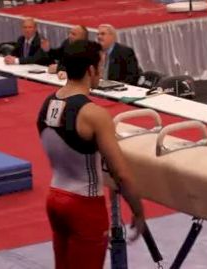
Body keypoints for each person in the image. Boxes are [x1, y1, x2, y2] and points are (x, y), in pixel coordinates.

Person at [37, 40, 145, 269]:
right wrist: (138, 210)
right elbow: (121, 173)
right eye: (101, 66)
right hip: (84, 206)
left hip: (55, 198)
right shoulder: (93, 114)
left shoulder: (47, 103)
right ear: (90, 70)